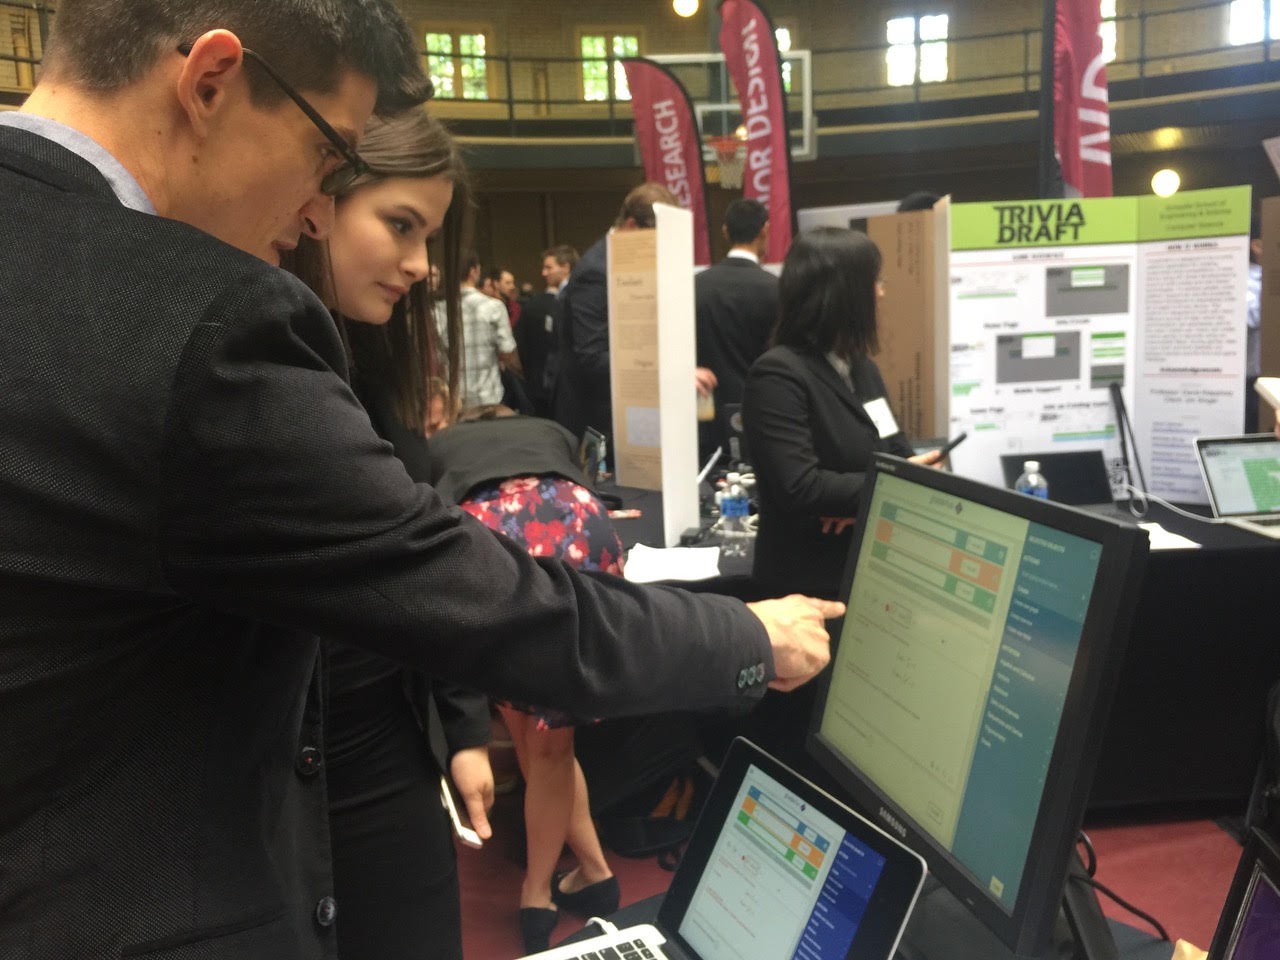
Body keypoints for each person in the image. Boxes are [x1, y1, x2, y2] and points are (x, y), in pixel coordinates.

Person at [0, 3, 837, 956]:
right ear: (209, 83)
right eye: (327, 160)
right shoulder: (199, 320)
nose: (314, 213)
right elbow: (459, 590)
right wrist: (742, 632)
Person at [285, 108, 489, 960]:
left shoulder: (369, 359)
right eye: (399, 225)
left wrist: (466, 726)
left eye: (429, 235)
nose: (418, 264)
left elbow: (422, 573)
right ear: (318, 201)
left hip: (388, 755)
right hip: (283, 779)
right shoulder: (258, 367)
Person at [430, 407, 625, 952]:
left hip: (492, 533)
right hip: (584, 525)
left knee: (541, 746)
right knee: (550, 745)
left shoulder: (441, 444)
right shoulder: (552, 428)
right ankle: (595, 872)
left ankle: (536, 895)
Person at [744, 227, 941, 601]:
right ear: (844, 293)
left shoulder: (862, 368)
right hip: (805, 587)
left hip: (868, 569)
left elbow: (896, 452)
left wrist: (873, 493)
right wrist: (886, 488)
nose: (882, 293)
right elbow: (801, 487)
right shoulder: (778, 376)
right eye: (875, 281)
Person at [553, 182, 678, 454]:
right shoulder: (596, 270)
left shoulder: (626, 263)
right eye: (655, 239)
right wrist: (667, 369)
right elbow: (592, 355)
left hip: (631, 408)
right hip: (600, 418)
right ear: (632, 226)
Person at [694, 198, 778, 463]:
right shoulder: (778, 289)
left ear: (725, 232)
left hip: (705, 415)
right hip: (764, 415)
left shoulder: (694, 286)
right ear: (765, 229)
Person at [517, 244, 578, 418]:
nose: (544, 273)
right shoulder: (562, 297)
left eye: (549, 267)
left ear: (565, 267)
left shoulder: (573, 297)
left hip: (568, 384)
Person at [457, 252, 522, 409]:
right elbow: (507, 351)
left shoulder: (437, 308)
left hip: (454, 398)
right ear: (473, 272)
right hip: (487, 395)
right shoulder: (494, 306)